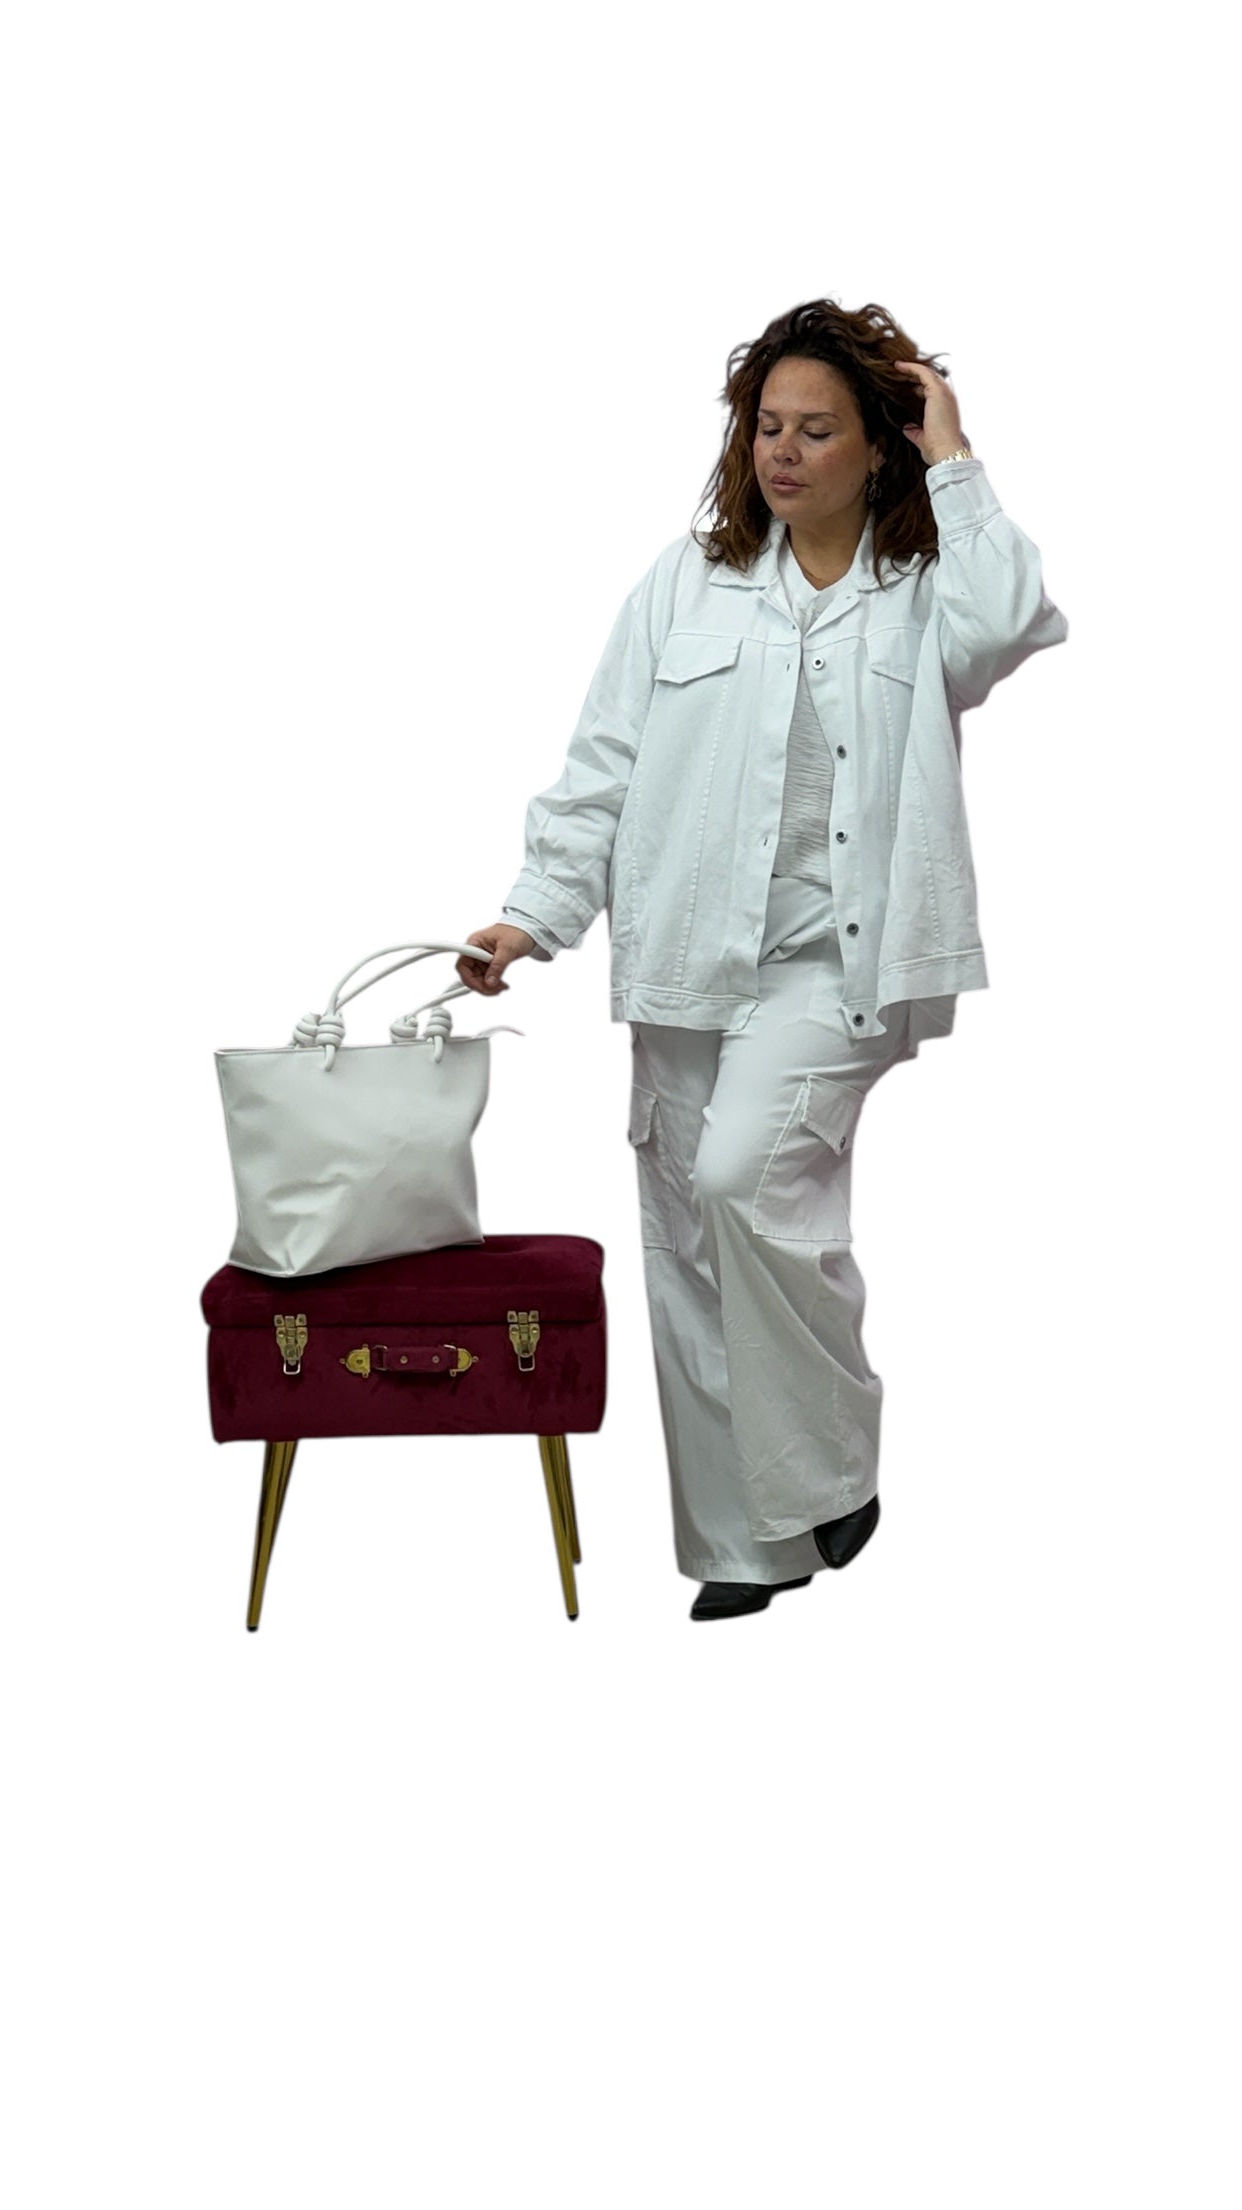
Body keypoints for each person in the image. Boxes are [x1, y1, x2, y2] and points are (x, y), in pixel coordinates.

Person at [460, 298, 1068, 1622]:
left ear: (879, 445)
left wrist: (955, 454)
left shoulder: (924, 589)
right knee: (690, 1239)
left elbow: (1016, 616)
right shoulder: (687, 580)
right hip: (686, 953)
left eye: (816, 430)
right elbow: (604, 763)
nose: (782, 453)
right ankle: (744, 1551)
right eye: (766, 427)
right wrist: (533, 914)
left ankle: (833, 1467)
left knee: (742, 1178)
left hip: (837, 966)